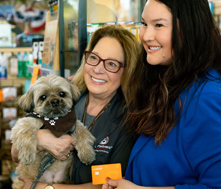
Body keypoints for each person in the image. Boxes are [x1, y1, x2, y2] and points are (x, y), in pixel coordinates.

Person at [103, 0, 221, 188]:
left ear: (190, 29)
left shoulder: (209, 100)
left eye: (159, 25)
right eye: (144, 24)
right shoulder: (168, 84)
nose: (146, 36)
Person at [11, 25, 141, 188]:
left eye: (111, 64)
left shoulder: (128, 121)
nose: (97, 69)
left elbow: (110, 184)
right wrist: (39, 140)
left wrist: (47, 188)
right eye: (94, 58)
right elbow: (15, 155)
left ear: (127, 71)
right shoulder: (67, 92)